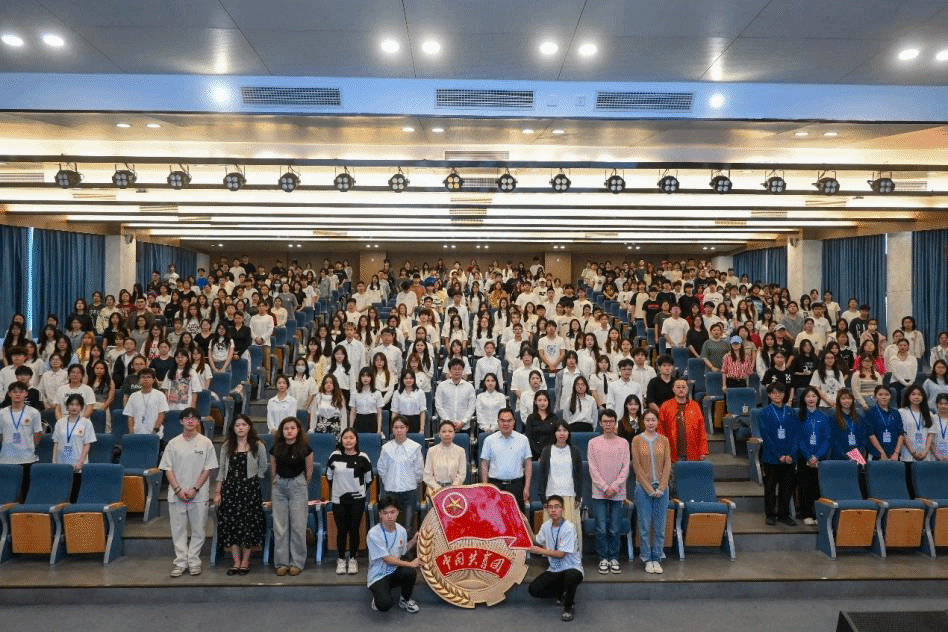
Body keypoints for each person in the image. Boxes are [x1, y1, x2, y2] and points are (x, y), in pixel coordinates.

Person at [159, 406, 218, 577]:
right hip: (177, 493)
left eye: (194, 418)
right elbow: (167, 468)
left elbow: (208, 469)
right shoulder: (173, 443)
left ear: (198, 422)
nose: (190, 421)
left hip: (198, 494)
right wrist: (178, 489)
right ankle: (180, 562)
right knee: (178, 530)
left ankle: (193, 561)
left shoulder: (205, 443)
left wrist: (194, 489)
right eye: (187, 418)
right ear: (181, 421)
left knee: (199, 530)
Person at [214, 414, 267, 575]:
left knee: (248, 525)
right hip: (230, 490)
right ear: (233, 428)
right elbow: (222, 470)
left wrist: (253, 480)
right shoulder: (227, 446)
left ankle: (245, 561)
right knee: (232, 526)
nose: (241, 428)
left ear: (249, 426)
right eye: (237, 425)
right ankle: (236, 562)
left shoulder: (257, 445)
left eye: (243, 424)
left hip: (250, 490)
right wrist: (218, 492)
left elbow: (263, 466)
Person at [528, 494, 584, 622]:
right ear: (547, 509)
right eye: (550, 507)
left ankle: (568, 607)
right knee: (533, 590)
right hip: (555, 569)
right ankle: (561, 592)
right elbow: (536, 540)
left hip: (572, 568)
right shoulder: (546, 526)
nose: (553, 510)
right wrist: (526, 523)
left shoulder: (569, 527)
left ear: (562, 509)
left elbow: (561, 554)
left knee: (571, 576)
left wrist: (541, 551)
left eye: (557, 507)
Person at [586, 408, 629, 575]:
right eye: (605, 421)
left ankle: (614, 557)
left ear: (615, 423)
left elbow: (625, 468)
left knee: (615, 529)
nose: (608, 424)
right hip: (599, 492)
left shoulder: (623, 443)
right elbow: (592, 468)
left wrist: (615, 487)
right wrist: (605, 487)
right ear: (600, 423)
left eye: (611, 421)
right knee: (601, 528)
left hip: (618, 492)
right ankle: (603, 558)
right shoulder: (593, 443)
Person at [270, 416, 313, 576]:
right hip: (279, 487)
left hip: (298, 486)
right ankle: (281, 563)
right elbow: (273, 469)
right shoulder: (276, 448)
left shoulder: (305, 448)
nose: (289, 431)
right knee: (280, 527)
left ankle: (297, 562)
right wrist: (275, 482)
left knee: (298, 526)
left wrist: (300, 484)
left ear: (298, 430)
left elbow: (309, 472)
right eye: (286, 428)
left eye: (292, 428)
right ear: (282, 431)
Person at [327, 428, 373, 575]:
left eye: (351, 437)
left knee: (354, 530)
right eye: (345, 437)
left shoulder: (363, 457)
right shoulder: (334, 456)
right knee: (341, 530)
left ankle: (353, 559)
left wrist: (358, 492)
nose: (348, 440)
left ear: (356, 440)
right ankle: (341, 559)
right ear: (341, 440)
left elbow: (369, 479)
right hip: (339, 500)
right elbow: (329, 476)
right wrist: (339, 489)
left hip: (357, 500)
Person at [366, 495, 422, 614]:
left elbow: (402, 550)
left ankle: (405, 600)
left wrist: (413, 541)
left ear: (397, 513)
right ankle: (377, 596)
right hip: (378, 575)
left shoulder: (401, 530)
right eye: (385, 513)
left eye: (392, 512)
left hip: (394, 572)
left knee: (410, 572)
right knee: (384, 605)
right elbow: (387, 559)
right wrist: (410, 564)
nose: (389, 516)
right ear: (380, 514)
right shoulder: (373, 534)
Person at [631, 409, 671, 573]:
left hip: (662, 489)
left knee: (660, 526)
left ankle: (657, 557)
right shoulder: (637, 440)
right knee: (645, 526)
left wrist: (662, 487)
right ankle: (647, 558)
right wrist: (648, 489)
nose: (650, 423)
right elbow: (637, 466)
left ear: (657, 421)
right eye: (647, 420)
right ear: (643, 422)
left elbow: (667, 464)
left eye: (653, 419)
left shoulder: (664, 440)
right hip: (643, 489)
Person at [376, 415, 424, 536]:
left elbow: (419, 470)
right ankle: (392, 548)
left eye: (402, 427)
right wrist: (389, 481)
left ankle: (406, 548)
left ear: (407, 428)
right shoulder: (386, 448)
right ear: (392, 429)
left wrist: (413, 482)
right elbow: (381, 468)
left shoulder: (415, 447)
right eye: (396, 427)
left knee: (408, 526)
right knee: (391, 524)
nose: (399, 430)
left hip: (409, 490)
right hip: (391, 491)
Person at [479, 407, 532, 513]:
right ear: (498, 422)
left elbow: (528, 464)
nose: (506, 424)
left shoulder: (523, 439)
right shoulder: (489, 440)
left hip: (516, 486)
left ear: (514, 422)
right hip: (495, 486)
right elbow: (484, 464)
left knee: (516, 519)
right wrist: (485, 487)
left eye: (509, 420)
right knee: (496, 519)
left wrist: (526, 487)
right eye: (502, 420)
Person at [759, 383, 797, 526]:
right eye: (774, 393)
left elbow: (796, 434)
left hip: (789, 457)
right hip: (771, 457)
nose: (777, 395)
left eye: (780, 392)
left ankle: (784, 514)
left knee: (786, 488)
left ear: (784, 394)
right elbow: (766, 436)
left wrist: (790, 454)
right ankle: (770, 514)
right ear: (769, 395)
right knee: (770, 487)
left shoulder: (791, 412)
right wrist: (779, 455)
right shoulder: (765, 413)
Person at [536, 421, 583, 538]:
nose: (562, 433)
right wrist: (543, 498)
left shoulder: (575, 451)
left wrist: (578, 496)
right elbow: (541, 475)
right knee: (552, 534)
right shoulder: (547, 451)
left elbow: (579, 476)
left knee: (569, 534)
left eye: (565, 430)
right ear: (554, 433)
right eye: (559, 430)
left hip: (570, 496)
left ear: (569, 433)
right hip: (551, 496)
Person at [796, 387, 831, 525]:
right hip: (804, 457)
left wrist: (817, 456)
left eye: (814, 396)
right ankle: (805, 513)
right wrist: (808, 456)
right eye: (808, 396)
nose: (811, 399)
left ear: (818, 398)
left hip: (820, 457)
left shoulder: (824, 416)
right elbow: (799, 439)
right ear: (804, 399)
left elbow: (827, 439)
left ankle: (817, 514)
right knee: (805, 486)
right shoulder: (799, 416)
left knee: (818, 487)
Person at [51, 393, 96, 501]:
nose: (74, 407)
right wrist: (54, 461)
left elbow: (87, 444)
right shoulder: (60, 422)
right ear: (67, 407)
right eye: (71, 404)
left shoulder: (86, 423)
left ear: (82, 407)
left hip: (77, 465)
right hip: (62, 463)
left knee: (74, 494)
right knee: (61, 493)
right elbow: (56, 443)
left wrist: (80, 462)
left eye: (77, 405)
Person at [658, 378, 709, 463]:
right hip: (672, 454)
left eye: (683, 387)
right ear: (673, 389)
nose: (681, 389)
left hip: (693, 453)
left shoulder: (695, 406)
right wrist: (661, 450)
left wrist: (703, 450)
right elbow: (661, 431)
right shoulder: (665, 406)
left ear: (687, 389)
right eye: (678, 387)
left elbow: (701, 430)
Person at [899, 385, 933, 496]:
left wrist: (925, 451)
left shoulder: (929, 413)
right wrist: (913, 451)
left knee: (923, 485)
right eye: (913, 394)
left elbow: (930, 434)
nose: (916, 397)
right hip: (908, 454)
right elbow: (903, 433)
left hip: (925, 455)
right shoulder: (902, 412)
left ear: (923, 397)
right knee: (909, 484)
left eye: (919, 394)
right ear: (908, 396)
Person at [423, 420, 467, 497]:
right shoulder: (432, 451)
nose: (447, 434)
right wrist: (438, 489)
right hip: (435, 490)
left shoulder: (461, 451)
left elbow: (462, 474)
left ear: (454, 433)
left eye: (450, 431)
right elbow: (427, 476)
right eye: (443, 431)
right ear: (439, 434)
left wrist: (452, 489)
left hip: (455, 490)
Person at [123, 368, 169, 437]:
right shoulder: (133, 396)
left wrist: (155, 430)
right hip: (137, 434)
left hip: (155, 434)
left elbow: (162, 414)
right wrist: (131, 433)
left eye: (148, 377)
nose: (145, 379)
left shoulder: (160, 395)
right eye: (143, 377)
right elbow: (130, 417)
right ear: (139, 380)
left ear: (153, 380)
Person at [434, 358, 476, 433]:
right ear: (450, 371)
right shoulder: (442, 386)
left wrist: (463, 421)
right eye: (454, 369)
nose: (457, 371)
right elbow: (439, 406)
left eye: (459, 369)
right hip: (446, 426)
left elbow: (471, 407)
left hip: (464, 426)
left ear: (463, 371)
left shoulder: (469, 387)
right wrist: (448, 421)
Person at [866, 385, 903, 462]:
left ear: (890, 396)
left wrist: (896, 453)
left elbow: (901, 434)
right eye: (880, 395)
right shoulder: (870, 412)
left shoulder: (896, 413)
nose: (884, 397)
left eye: (886, 394)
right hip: (876, 455)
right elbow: (871, 434)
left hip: (894, 455)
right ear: (875, 396)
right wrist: (882, 452)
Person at [829, 389, 868, 461]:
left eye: (849, 398)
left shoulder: (859, 417)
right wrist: (846, 456)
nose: (846, 401)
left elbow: (864, 438)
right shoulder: (833, 417)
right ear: (839, 401)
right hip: (840, 456)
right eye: (843, 398)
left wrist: (859, 454)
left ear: (853, 400)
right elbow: (833, 440)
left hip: (857, 456)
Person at [390, 369, 427, 434]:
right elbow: (394, 412)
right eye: (406, 378)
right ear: (402, 380)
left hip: (415, 422)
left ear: (414, 379)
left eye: (411, 378)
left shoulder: (420, 392)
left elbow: (422, 412)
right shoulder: (397, 393)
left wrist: (422, 429)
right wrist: (394, 427)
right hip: (401, 422)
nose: (408, 380)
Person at [350, 367, 384, 435]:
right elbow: (353, 412)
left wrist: (379, 429)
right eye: (363, 376)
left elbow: (379, 414)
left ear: (372, 378)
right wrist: (350, 429)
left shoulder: (377, 393)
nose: (365, 378)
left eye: (368, 376)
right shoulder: (355, 393)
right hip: (359, 420)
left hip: (372, 420)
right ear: (360, 378)